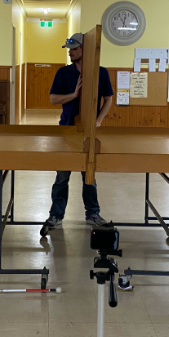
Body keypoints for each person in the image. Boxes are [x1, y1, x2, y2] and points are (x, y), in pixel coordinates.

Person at [42, 33, 113, 231]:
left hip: (88, 132)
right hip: (67, 131)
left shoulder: (101, 73)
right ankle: (55, 215)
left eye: (74, 49)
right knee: (62, 176)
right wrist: (73, 95)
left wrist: (98, 120)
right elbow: (54, 99)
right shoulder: (63, 73)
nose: (70, 53)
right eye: (69, 49)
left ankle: (93, 213)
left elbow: (108, 98)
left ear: (85, 50)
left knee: (89, 175)